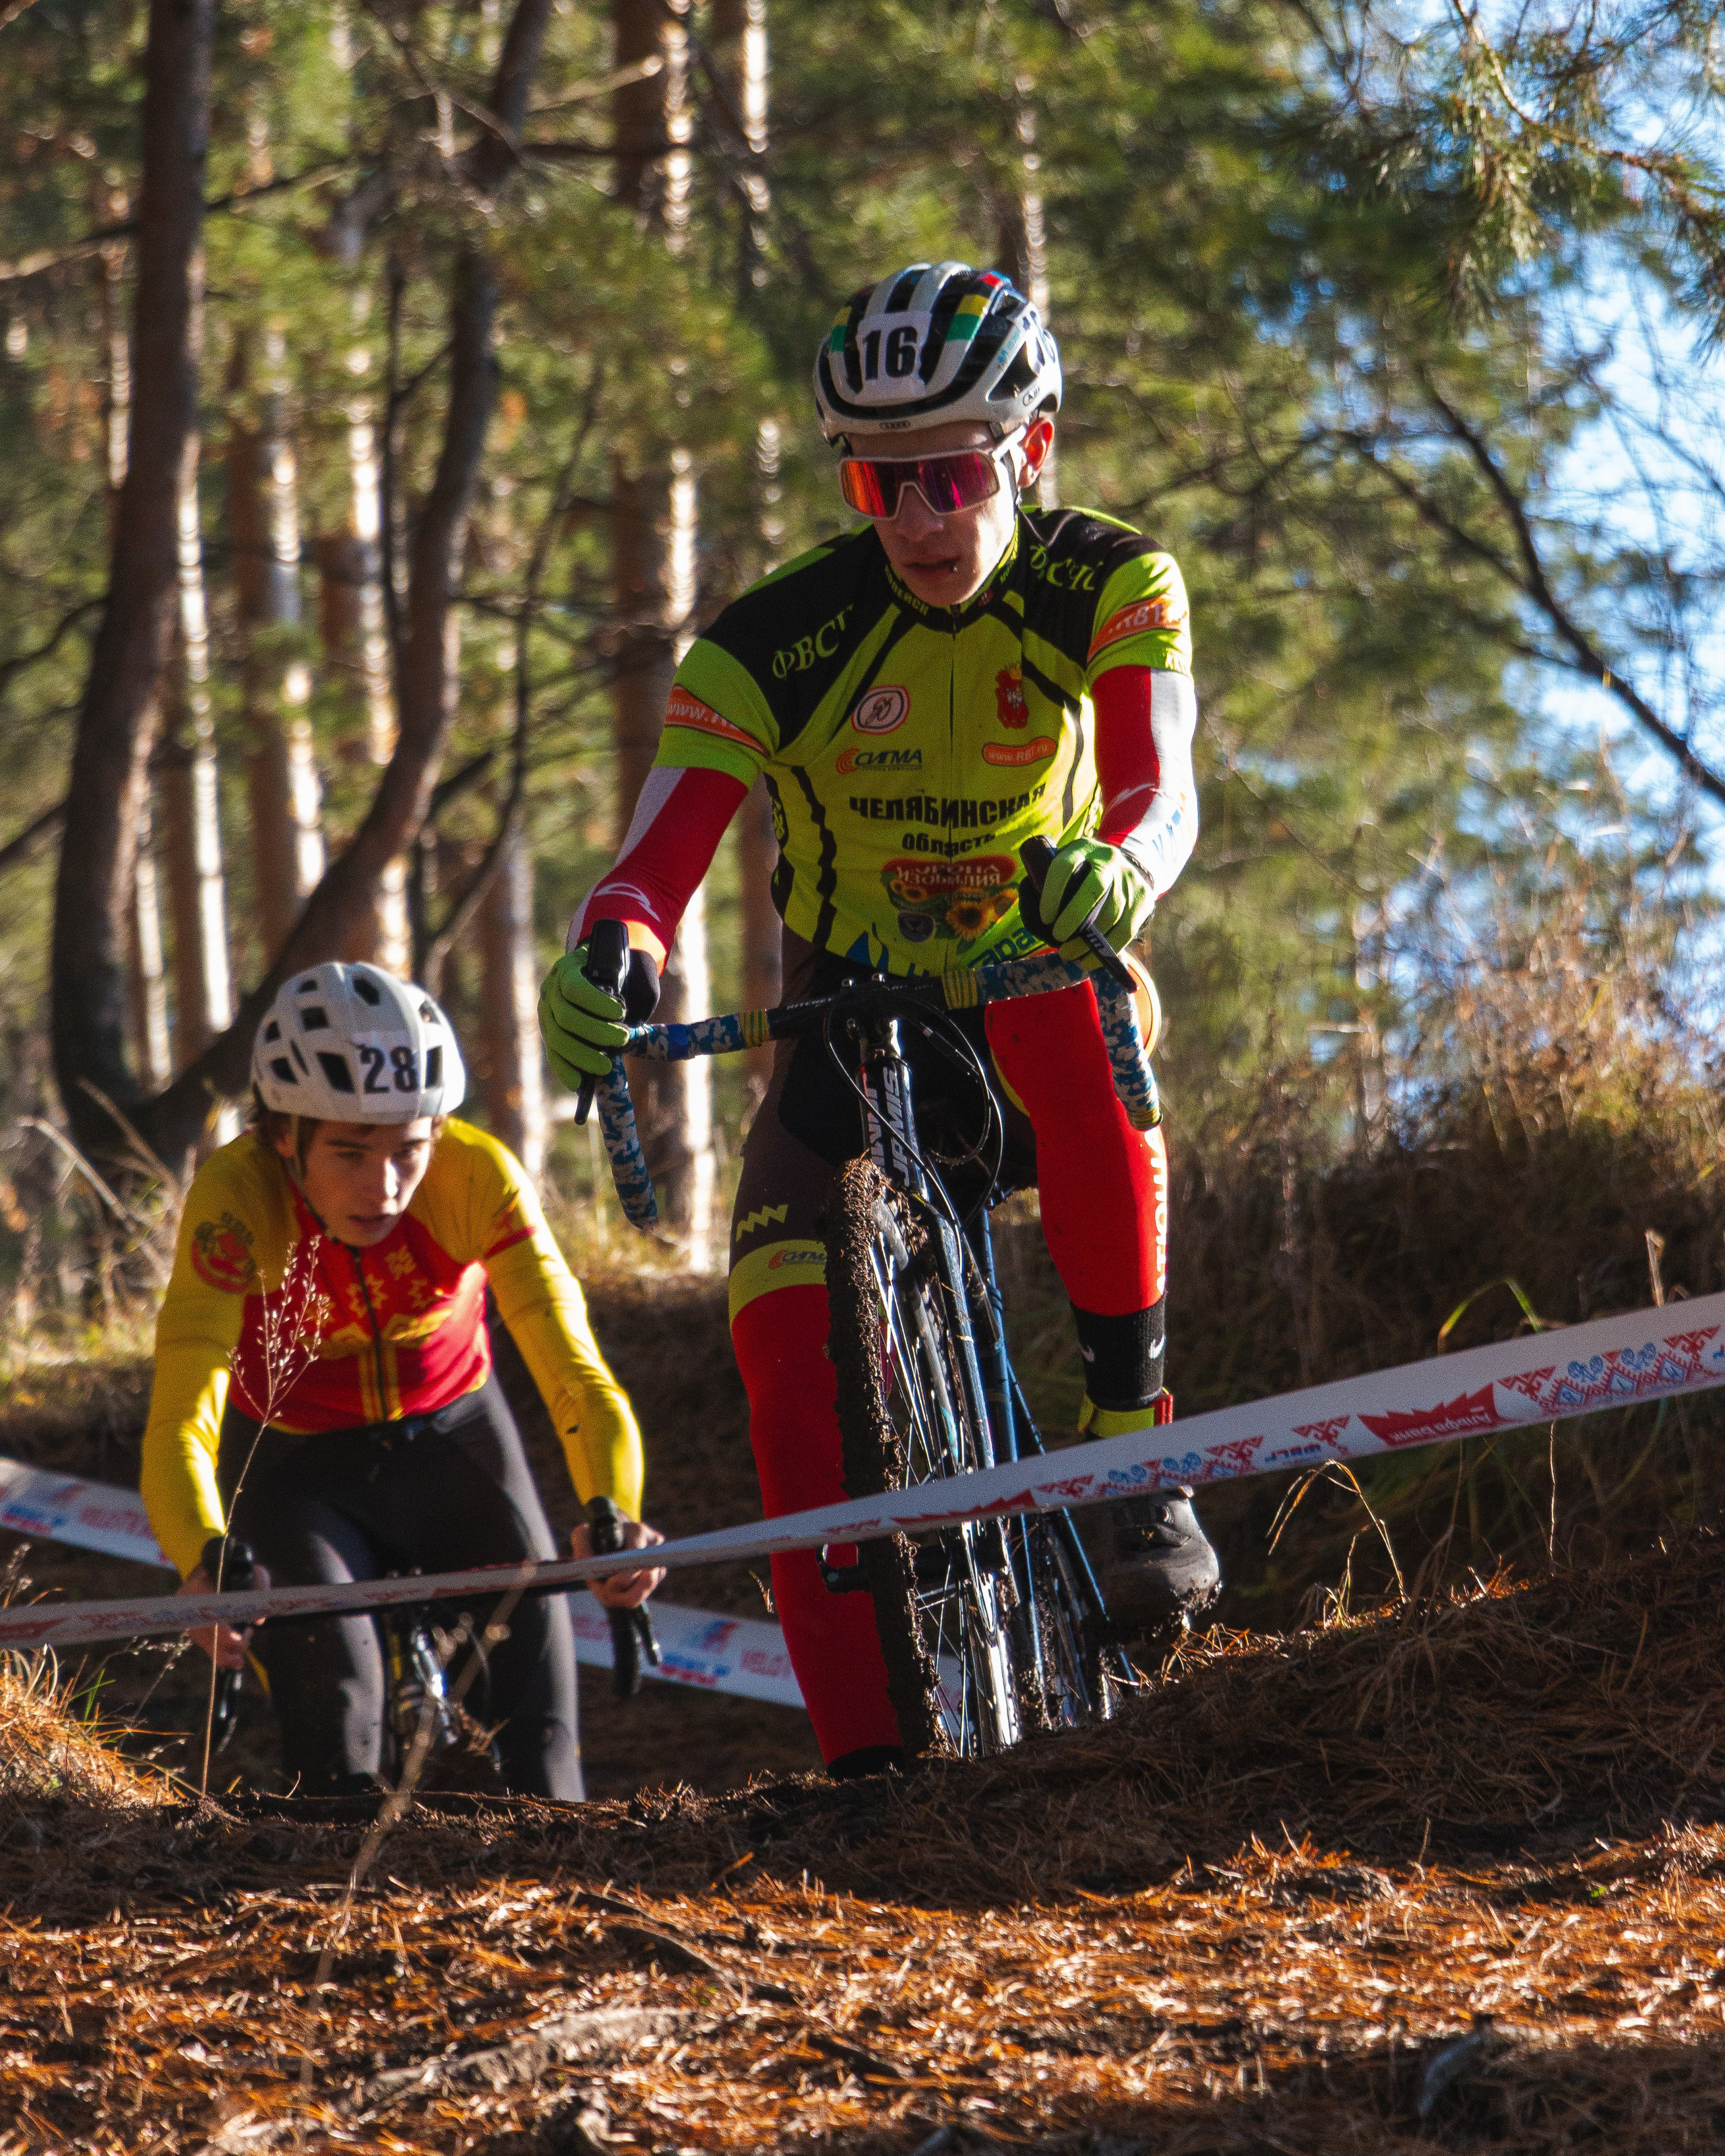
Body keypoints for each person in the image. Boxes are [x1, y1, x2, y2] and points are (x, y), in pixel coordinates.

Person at [540, 259, 1218, 1779]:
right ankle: (860, 1778)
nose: (913, 517)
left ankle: (1131, 1454)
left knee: (1059, 992)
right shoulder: (772, 637)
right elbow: (649, 866)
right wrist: (610, 957)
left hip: (1032, 989)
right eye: (875, 477)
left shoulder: (1110, 579)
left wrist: (1117, 869)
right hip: (839, 1029)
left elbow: (1157, 783)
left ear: (1029, 455)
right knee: (782, 1358)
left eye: (951, 474)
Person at [142, 961, 664, 1799]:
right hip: (293, 1461)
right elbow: (180, 1417)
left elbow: (576, 1372)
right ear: (285, 1134)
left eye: (408, 1150)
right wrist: (203, 1556)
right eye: (349, 1152)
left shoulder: (474, 1174)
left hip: (452, 1433)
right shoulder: (235, 1201)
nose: (382, 1187)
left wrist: (613, 1511)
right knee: (333, 1725)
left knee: (543, 1732)